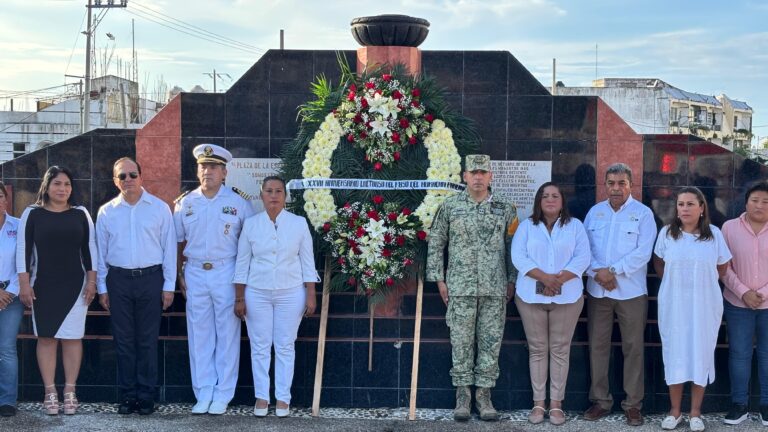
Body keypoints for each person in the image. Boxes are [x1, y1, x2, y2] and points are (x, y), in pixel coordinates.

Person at [426, 154, 519, 422]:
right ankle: (463, 396)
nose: (478, 177)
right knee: (461, 342)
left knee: (491, 343)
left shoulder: (505, 208)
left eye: (483, 172)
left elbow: (514, 246)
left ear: (491, 176)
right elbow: (436, 243)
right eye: (473, 172)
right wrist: (440, 279)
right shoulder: (450, 207)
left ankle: (485, 397)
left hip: (494, 288)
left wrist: (511, 279)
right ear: (464, 176)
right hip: (460, 288)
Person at [174, 144, 254, 415]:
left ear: (224, 172)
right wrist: (178, 273)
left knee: (227, 335)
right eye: (203, 166)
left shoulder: (238, 202)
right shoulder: (185, 202)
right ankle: (203, 391)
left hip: (226, 272)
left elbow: (249, 243)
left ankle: (223, 393)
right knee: (200, 336)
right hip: (194, 272)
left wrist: (242, 282)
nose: (207, 171)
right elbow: (177, 241)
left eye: (213, 167)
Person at [96, 157, 176, 415]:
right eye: (122, 176)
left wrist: (169, 286)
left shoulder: (160, 208)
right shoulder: (107, 211)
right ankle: (128, 395)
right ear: (115, 181)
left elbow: (170, 249)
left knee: (147, 341)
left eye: (132, 175)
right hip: (118, 281)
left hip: (151, 279)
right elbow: (100, 253)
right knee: (124, 341)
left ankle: (146, 396)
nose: (128, 180)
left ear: (141, 177)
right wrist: (102, 288)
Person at [233, 176, 318, 418]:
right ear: (261, 195)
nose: (273, 195)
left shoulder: (299, 223)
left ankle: (283, 398)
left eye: (278, 191)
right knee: (259, 346)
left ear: (285, 196)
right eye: (269, 191)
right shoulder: (251, 224)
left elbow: (307, 262)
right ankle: (261, 396)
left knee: (284, 345)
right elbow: (242, 263)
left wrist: (310, 294)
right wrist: (239, 297)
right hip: (256, 292)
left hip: (291, 293)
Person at [16, 167, 98, 416]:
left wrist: (92, 282)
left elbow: (90, 250)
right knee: (47, 338)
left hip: (77, 286)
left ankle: (70, 390)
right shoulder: (32, 213)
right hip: (43, 286)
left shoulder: (81, 213)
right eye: (57, 184)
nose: (62, 189)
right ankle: (50, 391)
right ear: (47, 186)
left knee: (73, 338)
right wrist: (24, 285)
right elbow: (23, 250)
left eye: (67, 184)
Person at [582, 162, 656, 426]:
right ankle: (600, 401)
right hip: (598, 291)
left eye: (621, 183)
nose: (616, 188)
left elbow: (643, 252)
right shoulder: (594, 213)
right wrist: (598, 273)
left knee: (633, 348)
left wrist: (612, 271)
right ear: (605, 184)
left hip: (631, 292)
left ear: (630, 185)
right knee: (598, 347)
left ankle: (633, 404)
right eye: (611, 183)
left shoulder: (643, 214)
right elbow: (583, 250)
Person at [653, 186, 731, 432]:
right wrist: (679, 286)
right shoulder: (667, 233)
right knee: (675, 354)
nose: (684, 208)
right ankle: (675, 412)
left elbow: (722, 267)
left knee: (701, 354)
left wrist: (701, 286)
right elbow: (659, 264)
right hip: (674, 305)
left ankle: (695, 412)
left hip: (704, 306)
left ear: (701, 208)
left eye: (689, 204)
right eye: (680, 204)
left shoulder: (714, 235)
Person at [511, 182, 590, 425]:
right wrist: (544, 278)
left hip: (567, 297)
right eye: (545, 196)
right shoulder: (526, 226)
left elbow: (583, 257)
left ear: (562, 200)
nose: (550, 200)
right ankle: (538, 404)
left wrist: (558, 280)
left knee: (559, 350)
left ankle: (556, 405)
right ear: (538, 201)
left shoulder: (575, 226)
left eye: (555, 196)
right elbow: (518, 256)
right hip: (530, 297)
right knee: (537, 350)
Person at [721, 180, 768, 425]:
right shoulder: (729, 228)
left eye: (766, 201)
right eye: (755, 200)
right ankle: (739, 404)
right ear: (746, 202)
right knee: (739, 355)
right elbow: (723, 266)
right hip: (737, 304)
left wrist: (761, 293)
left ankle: (766, 405)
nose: (759, 205)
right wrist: (743, 292)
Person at [0, 182, 22, 417]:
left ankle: (7, 400)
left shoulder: (18, 226)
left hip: (11, 297)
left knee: (6, 348)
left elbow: (26, 263)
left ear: (6, 199)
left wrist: (10, 292)